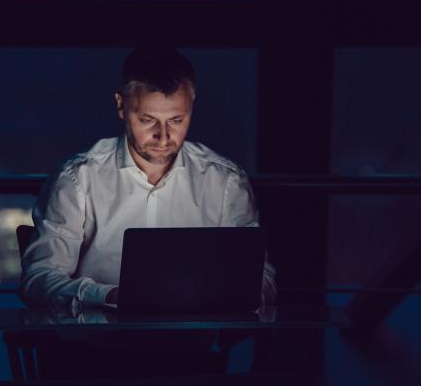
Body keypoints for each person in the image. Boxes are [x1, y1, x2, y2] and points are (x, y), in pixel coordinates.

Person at [20, 46, 276, 311]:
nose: (164, 137)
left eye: (176, 120)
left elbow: (262, 277)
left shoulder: (225, 182)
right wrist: (110, 296)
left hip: (191, 347)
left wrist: (235, 294)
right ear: (121, 105)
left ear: (192, 104)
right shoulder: (78, 178)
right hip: (95, 344)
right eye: (147, 120)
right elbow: (39, 279)